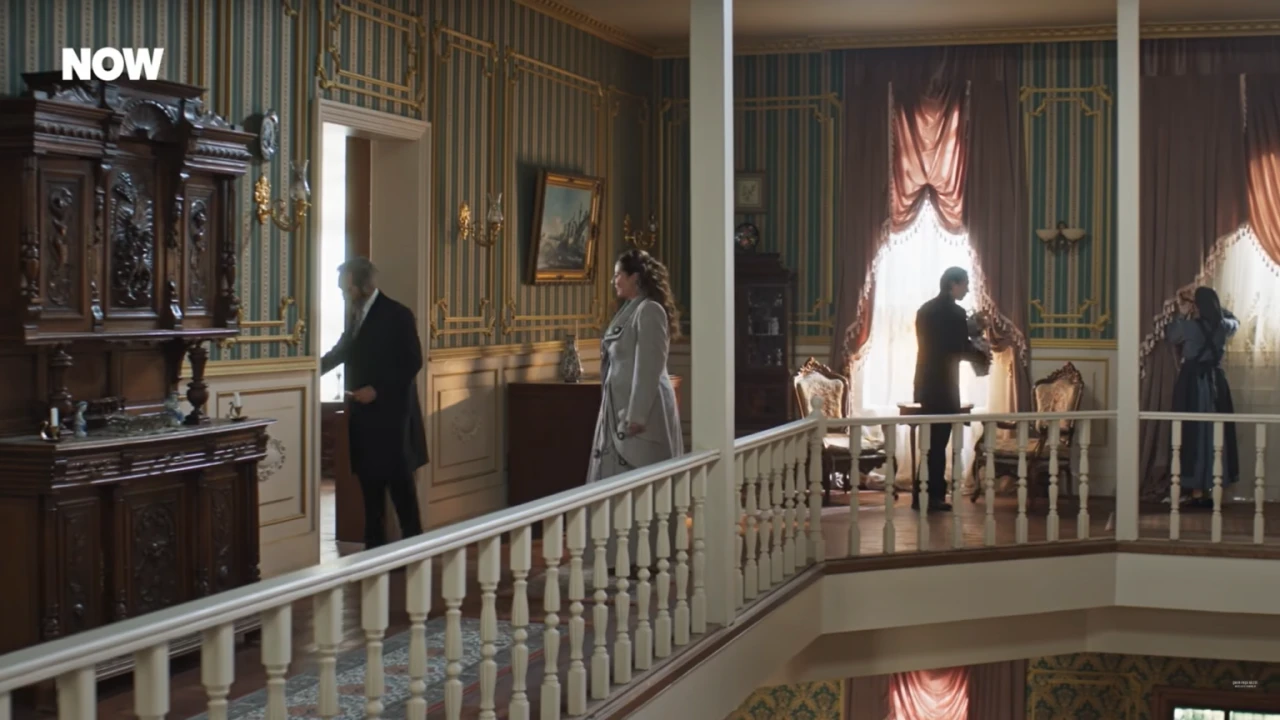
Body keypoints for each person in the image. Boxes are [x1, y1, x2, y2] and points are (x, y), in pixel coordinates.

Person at [321, 257, 428, 548]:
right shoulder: (355, 314)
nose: (344, 295)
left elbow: (412, 362)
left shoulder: (398, 314)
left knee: (402, 493)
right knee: (370, 493)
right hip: (363, 418)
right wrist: (310, 371)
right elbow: (342, 350)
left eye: (347, 289)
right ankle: (374, 556)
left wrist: (377, 390)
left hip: (392, 419)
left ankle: (415, 553)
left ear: (364, 286)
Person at [587, 249, 684, 484]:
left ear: (635, 277)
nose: (614, 281)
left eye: (618, 275)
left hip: (638, 416)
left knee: (641, 483)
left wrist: (637, 416)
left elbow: (650, 367)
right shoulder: (630, 310)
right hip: (618, 409)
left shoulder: (649, 311)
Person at [912, 267, 990, 512]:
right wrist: (982, 353)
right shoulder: (955, 312)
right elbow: (958, 348)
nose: (967, 289)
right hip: (944, 384)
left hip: (924, 381)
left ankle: (921, 495)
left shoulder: (924, 309)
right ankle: (933, 496)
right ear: (953, 284)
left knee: (929, 443)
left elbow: (936, 346)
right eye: (965, 284)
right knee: (938, 442)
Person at [1169, 285, 1240, 508]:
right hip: (1216, 382)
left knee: (1193, 431)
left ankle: (1196, 490)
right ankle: (1213, 486)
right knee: (1216, 432)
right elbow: (1235, 321)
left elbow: (1171, 335)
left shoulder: (1189, 327)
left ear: (1197, 306)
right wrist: (1217, 308)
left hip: (1192, 382)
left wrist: (1183, 311)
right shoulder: (1224, 325)